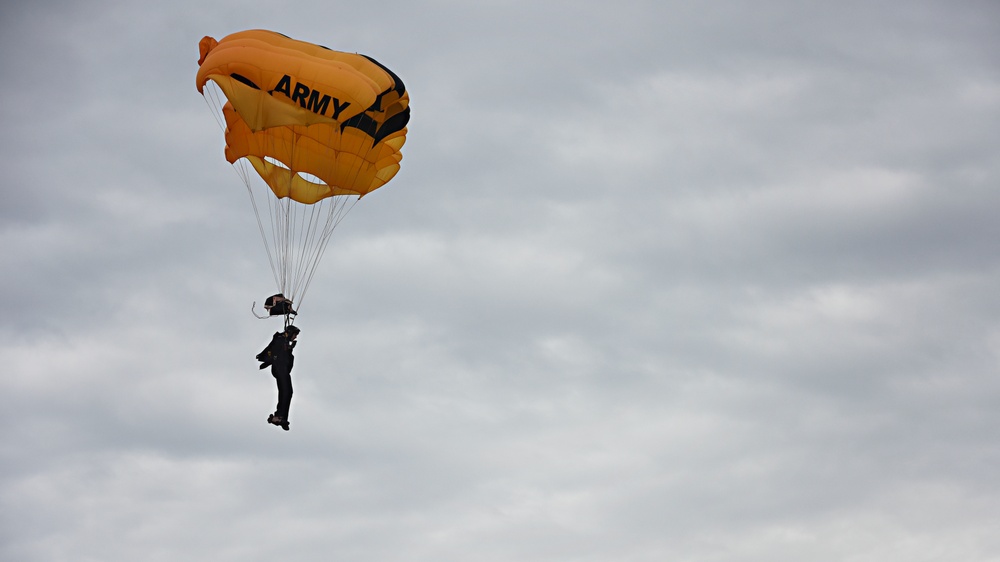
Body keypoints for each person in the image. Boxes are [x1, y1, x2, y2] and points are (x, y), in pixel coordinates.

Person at [256, 325, 300, 430]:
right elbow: (273, 349)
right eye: (295, 335)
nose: (295, 337)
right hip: (280, 369)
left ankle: (281, 417)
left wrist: (289, 348)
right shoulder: (281, 339)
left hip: (281, 369)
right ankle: (279, 416)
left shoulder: (283, 340)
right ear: (290, 333)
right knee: (286, 392)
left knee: (288, 392)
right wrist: (266, 359)